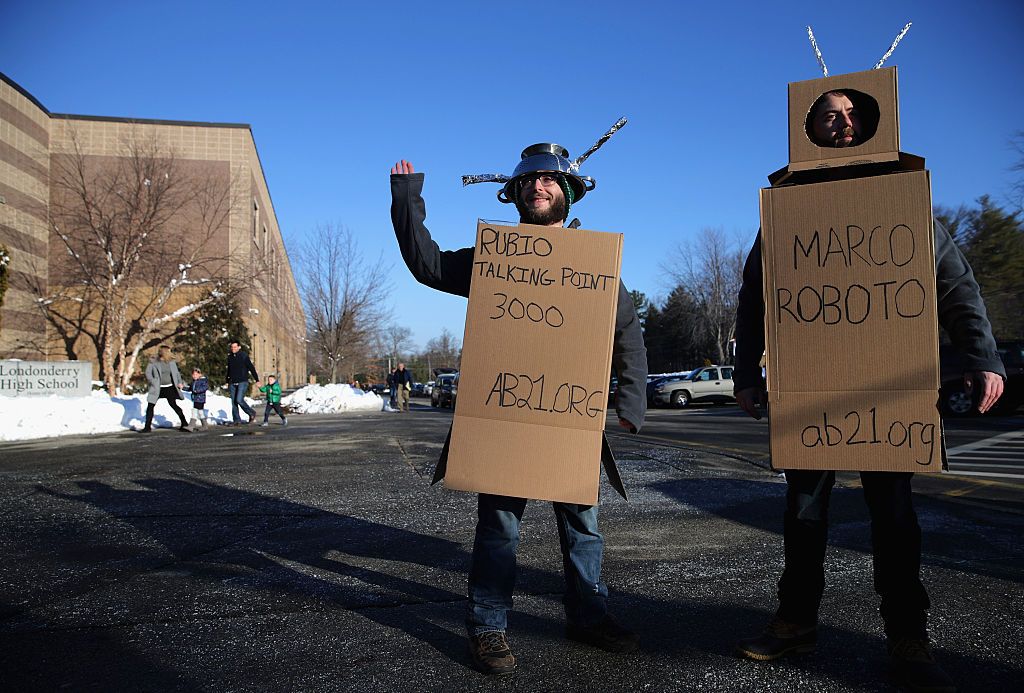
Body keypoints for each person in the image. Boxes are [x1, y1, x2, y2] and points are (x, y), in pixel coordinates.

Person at [733, 98, 1006, 693]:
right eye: (828, 114)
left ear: (873, 126)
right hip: (811, 390)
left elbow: (956, 284)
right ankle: (796, 621)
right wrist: (746, 373)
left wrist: (982, 357)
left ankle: (908, 637)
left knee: (894, 517)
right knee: (803, 514)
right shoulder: (785, 208)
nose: (843, 121)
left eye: (853, 112)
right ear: (808, 129)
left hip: (889, 391)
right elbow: (756, 296)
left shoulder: (904, 201)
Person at [390, 143, 647, 676]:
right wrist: (407, 199)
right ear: (516, 193)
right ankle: (488, 628)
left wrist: (632, 400)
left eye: (551, 180)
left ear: (568, 192)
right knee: (500, 528)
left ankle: (590, 618)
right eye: (531, 181)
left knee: (584, 527)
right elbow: (428, 264)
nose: (539, 187)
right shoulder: (495, 258)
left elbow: (626, 332)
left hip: (571, 420)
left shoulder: (594, 262)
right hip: (507, 416)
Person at [141, 346, 189, 432]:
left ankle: (184, 423)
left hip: (169, 387)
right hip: (157, 387)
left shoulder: (171, 362)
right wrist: (153, 381)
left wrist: (179, 382)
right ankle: (147, 427)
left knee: (173, 404)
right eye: (168, 351)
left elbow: (176, 373)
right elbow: (148, 372)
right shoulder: (153, 361)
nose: (170, 353)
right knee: (150, 405)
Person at [225, 340, 259, 425]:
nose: (233, 349)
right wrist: (227, 381)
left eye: (235, 347)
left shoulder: (243, 356)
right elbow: (229, 370)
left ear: (239, 347)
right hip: (232, 382)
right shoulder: (230, 357)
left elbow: (251, 368)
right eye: (232, 347)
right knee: (234, 402)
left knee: (239, 400)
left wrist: (257, 380)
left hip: (242, 381)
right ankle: (237, 420)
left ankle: (251, 413)